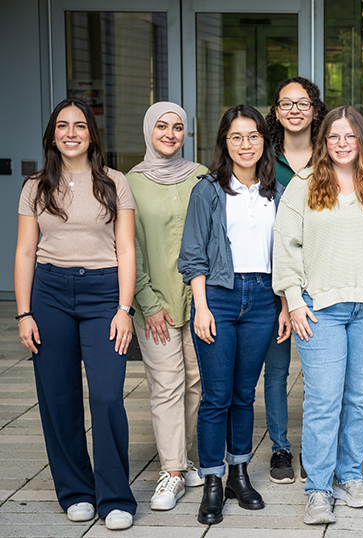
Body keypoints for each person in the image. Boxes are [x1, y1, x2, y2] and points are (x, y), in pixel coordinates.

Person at [273, 106, 363, 525]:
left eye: (349, 136)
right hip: (319, 311)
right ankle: (318, 489)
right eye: (333, 137)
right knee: (323, 400)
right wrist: (294, 300)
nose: (342, 143)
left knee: (360, 399)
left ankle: (349, 476)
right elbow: (285, 248)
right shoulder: (303, 186)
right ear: (324, 143)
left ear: (362, 141)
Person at [14, 97, 137, 530]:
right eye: (62, 126)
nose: (71, 133)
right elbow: (26, 251)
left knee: (106, 396)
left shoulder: (114, 182)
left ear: (91, 134)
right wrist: (24, 313)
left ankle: (116, 497)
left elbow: (126, 249)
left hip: (104, 293)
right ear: (52, 135)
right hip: (49, 294)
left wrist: (125, 309)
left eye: (79, 126)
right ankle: (76, 491)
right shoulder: (34, 186)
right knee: (59, 398)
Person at [178, 105, 290, 525]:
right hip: (219, 299)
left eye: (253, 136)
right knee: (216, 396)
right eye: (236, 137)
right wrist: (201, 306)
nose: (246, 144)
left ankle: (239, 474)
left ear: (265, 141)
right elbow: (192, 255)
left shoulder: (276, 191)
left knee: (245, 394)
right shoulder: (208, 190)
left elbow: (287, 255)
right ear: (225, 142)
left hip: (262, 299)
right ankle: (212, 480)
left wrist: (282, 305)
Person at [127, 102, 209, 511]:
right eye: (162, 126)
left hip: (197, 300)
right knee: (166, 385)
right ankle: (172, 472)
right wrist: (147, 301)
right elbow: (131, 248)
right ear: (149, 130)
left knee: (195, 383)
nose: (170, 134)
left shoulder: (202, 176)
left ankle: (184, 455)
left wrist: (206, 298)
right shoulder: (131, 182)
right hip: (153, 301)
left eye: (178, 127)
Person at [263, 77, 328, 484]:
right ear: (276, 111)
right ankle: (281, 448)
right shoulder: (262, 158)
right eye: (285, 103)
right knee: (276, 369)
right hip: (275, 278)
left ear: (315, 111)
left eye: (302, 103)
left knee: (321, 372)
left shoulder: (332, 154)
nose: (294, 110)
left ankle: (315, 447)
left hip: (323, 277)